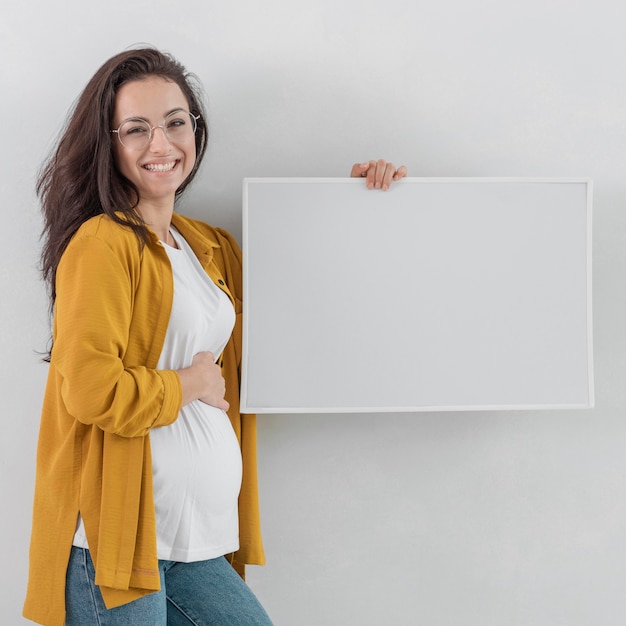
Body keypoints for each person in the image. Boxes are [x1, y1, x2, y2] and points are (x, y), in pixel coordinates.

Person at [22, 47, 408, 626]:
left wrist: (356, 205)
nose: (161, 144)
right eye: (137, 129)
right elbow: (92, 391)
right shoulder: (102, 244)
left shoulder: (208, 247)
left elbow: (301, 317)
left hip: (193, 544)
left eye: (176, 122)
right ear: (109, 143)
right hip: (116, 543)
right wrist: (192, 382)